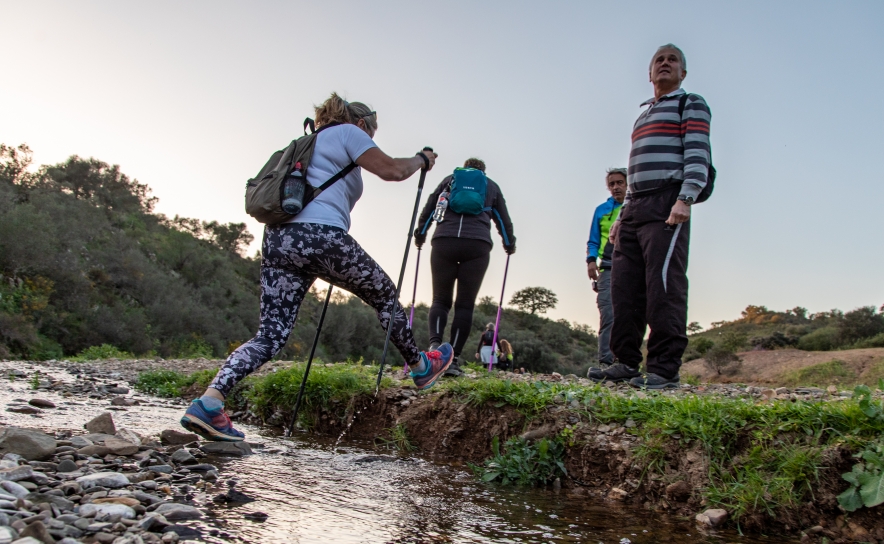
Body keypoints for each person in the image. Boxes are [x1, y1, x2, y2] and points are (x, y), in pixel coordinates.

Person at [180, 93, 453, 441]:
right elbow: (394, 170)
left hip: (280, 241)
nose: (371, 139)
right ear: (360, 124)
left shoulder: (304, 145)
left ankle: (209, 404)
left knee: (270, 335)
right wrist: (421, 160)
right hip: (320, 236)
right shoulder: (348, 133)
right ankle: (421, 367)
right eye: (372, 131)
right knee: (385, 295)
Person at [589, 44, 712, 389]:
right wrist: (622, 215)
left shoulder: (691, 103)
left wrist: (686, 197)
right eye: (659, 60)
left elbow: (699, 152)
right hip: (635, 205)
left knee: (663, 284)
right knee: (624, 287)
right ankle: (624, 362)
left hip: (667, 200)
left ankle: (663, 369)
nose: (665, 64)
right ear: (649, 72)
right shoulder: (642, 114)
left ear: (683, 73)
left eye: (673, 60)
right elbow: (634, 168)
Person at [414, 158, 516, 376]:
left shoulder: (449, 181)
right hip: (477, 245)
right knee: (465, 305)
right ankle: (453, 359)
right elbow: (502, 219)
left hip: (444, 241)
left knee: (440, 299)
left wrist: (420, 234)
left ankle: (434, 350)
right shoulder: (491, 186)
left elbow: (431, 207)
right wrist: (509, 243)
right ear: (483, 171)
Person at [586, 168, 626, 374]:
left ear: (628, 184)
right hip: (608, 266)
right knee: (608, 313)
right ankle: (606, 363)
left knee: (631, 313)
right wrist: (590, 261)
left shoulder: (636, 206)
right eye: (612, 184)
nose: (616, 187)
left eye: (620, 182)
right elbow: (593, 239)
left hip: (633, 266)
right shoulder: (601, 210)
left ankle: (627, 362)